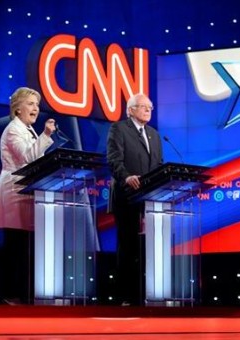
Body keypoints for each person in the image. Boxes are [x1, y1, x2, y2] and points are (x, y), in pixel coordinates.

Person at [0, 87, 56, 304]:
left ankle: (24, 293)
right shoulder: (13, 130)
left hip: (27, 190)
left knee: (25, 245)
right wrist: (47, 136)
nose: (35, 109)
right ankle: (11, 294)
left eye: (37, 105)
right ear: (17, 108)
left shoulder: (29, 130)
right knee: (15, 244)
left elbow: (36, 157)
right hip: (14, 189)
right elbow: (27, 157)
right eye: (30, 104)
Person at [106, 93, 163, 306]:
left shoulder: (155, 135)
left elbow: (159, 164)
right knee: (128, 246)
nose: (148, 110)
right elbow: (113, 159)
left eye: (150, 107)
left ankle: (146, 295)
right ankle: (125, 297)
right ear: (131, 110)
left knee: (146, 248)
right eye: (144, 107)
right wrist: (126, 177)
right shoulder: (119, 129)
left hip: (150, 199)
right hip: (127, 196)